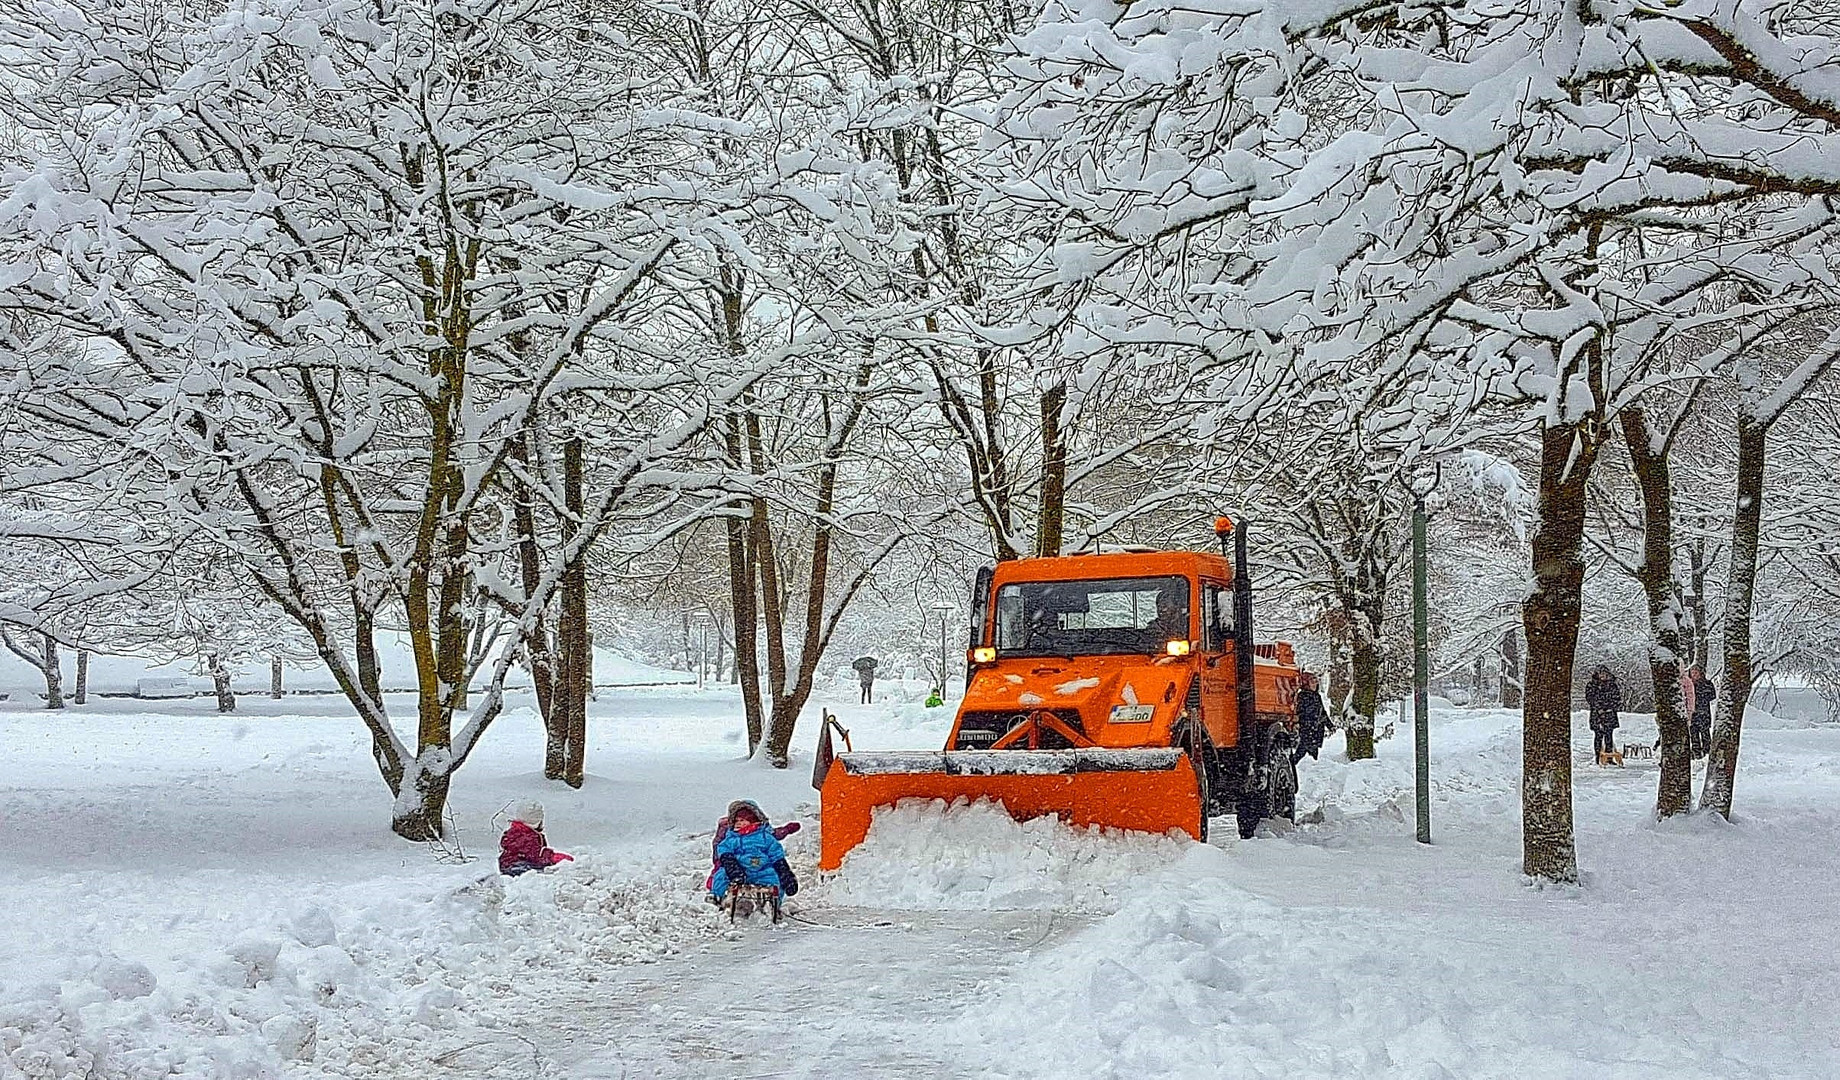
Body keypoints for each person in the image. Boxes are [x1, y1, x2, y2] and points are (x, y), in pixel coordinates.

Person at [709, 800, 798, 904]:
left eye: (742, 820)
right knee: (721, 875)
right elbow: (723, 851)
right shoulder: (732, 838)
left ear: (752, 820)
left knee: (775, 879)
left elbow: (776, 855)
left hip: (762, 871)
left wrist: (785, 874)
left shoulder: (765, 837)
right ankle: (718, 897)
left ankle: (773, 903)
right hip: (740, 871)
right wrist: (732, 868)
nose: (739, 823)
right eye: (736, 821)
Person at [499, 801, 573, 877]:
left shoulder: (517, 831)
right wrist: (552, 857)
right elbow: (535, 855)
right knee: (542, 874)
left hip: (508, 865)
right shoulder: (526, 836)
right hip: (517, 866)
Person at [1585, 666, 1621, 764]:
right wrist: (1599, 708)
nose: (1603, 676)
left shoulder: (1612, 685)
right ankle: (1598, 757)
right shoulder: (1592, 685)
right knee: (1598, 735)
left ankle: (1609, 757)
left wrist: (1610, 708)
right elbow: (1590, 698)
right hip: (1597, 714)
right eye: (1601, 673)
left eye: (1605, 674)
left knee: (1609, 735)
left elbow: (1616, 698)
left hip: (1610, 713)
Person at [1293, 672, 1331, 763]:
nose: (1315, 684)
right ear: (1306, 684)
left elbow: (1322, 713)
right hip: (1307, 730)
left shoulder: (1317, 696)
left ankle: (1311, 766)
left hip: (1316, 731)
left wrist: (1330, 725)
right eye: (1312, 682)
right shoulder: (1302, 696)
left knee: (1313, 753)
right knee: (1301, 752)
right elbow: (1301, 713)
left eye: (1316, 682)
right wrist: (1308, 724)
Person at [1688, 665, 1716, 759]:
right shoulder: (1688, 685)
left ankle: (1707, 752)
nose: (1694, 674)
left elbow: (1712, 695)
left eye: (1696, 672)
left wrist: (1702, 697)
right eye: (1693, 672)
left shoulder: (1707, 684)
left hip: (1704, 712)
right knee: (1694, 734)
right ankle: (1696, 753)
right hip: (1693, 713)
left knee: (1705, 734)